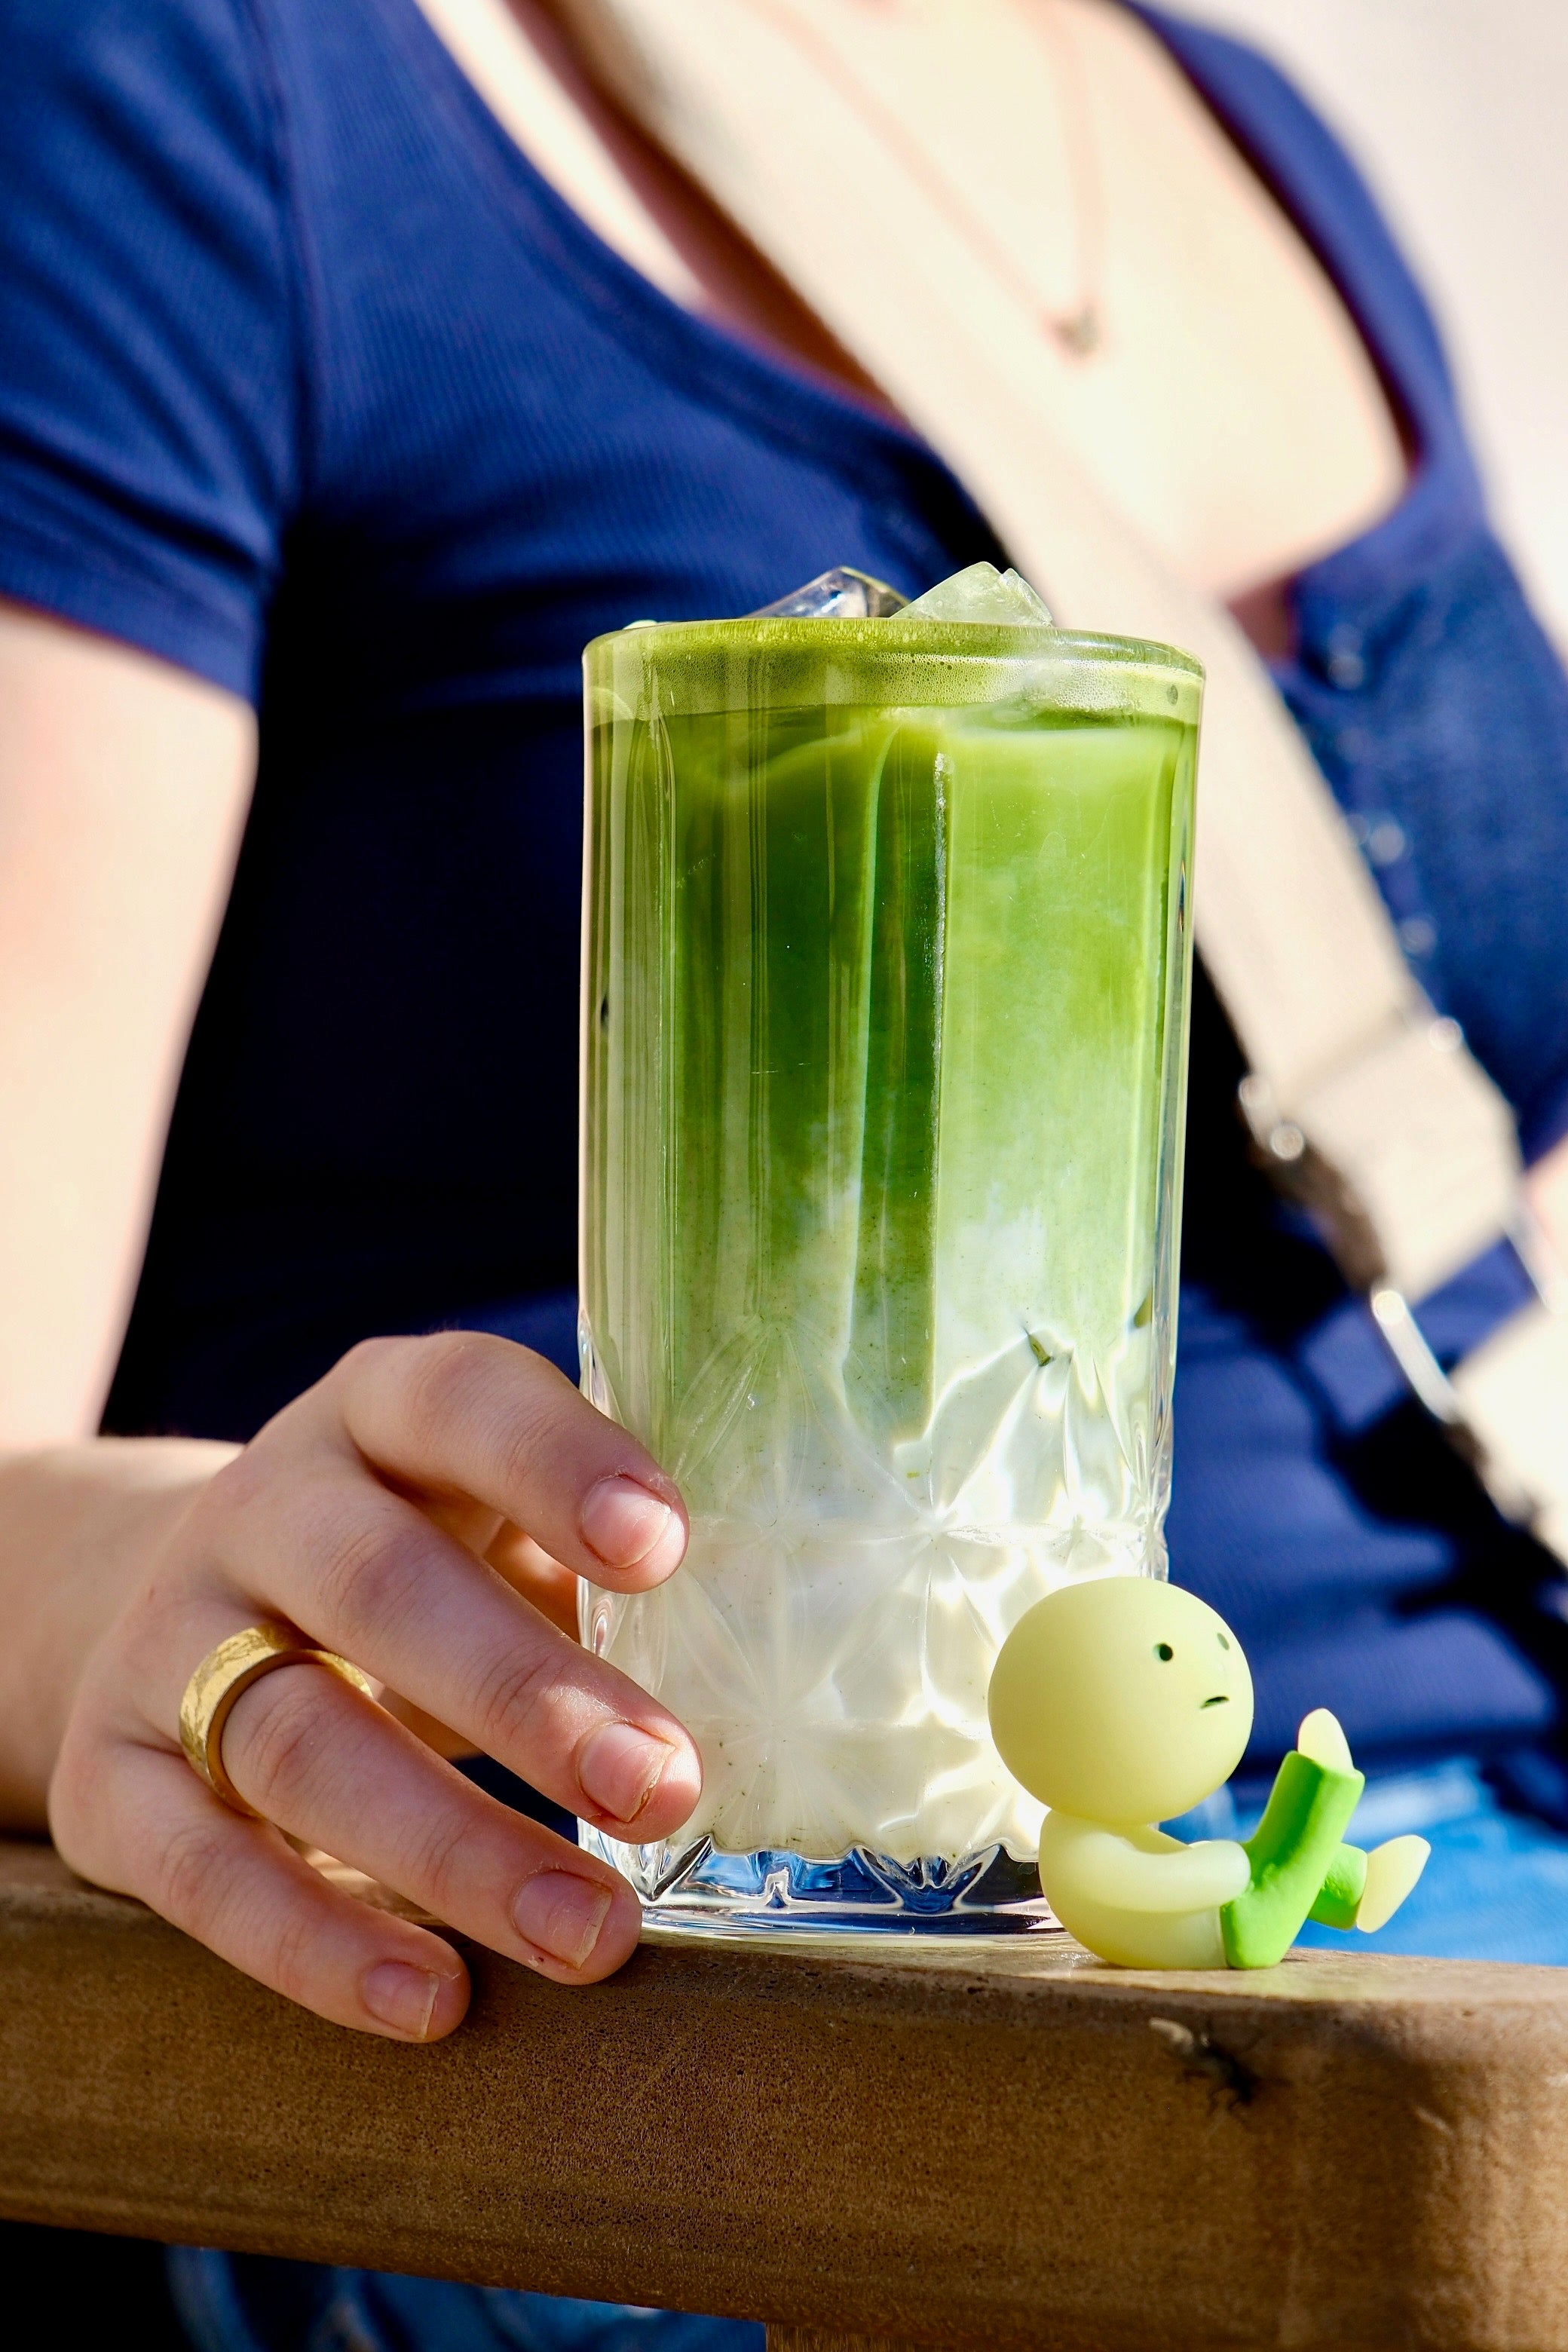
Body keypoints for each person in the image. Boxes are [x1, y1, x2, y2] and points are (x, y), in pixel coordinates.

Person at [2, 0, 1566, 2345]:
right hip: (737, 2036)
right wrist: (167, 1607)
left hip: (1448, 1884)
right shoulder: (185, 84)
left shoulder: (1247, 128)